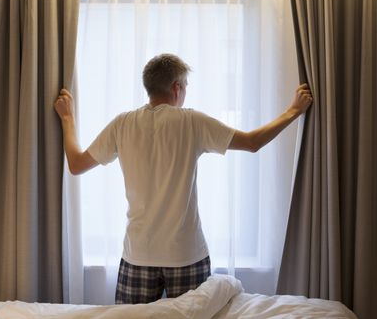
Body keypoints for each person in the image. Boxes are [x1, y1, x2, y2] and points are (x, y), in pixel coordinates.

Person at [54, 53, 312, 304]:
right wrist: (293, 110)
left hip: (138, 255)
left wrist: (67, 118)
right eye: (186, 85)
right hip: (186, 254)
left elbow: (76, 164)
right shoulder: (191, 121)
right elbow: (253, 142)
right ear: (177, 87)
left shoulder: (122, 124)